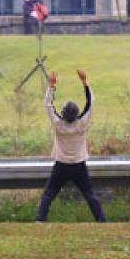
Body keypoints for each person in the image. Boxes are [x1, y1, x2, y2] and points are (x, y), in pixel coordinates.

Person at [36, 67, 106, 223]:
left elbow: (48, 106)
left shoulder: (58, 125)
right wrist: (85, 82)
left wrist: (51, 86)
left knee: (49, 194)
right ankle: (101, 220)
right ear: (76, 114)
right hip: (79, 165)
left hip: (61, 165)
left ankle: (40, 220)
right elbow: (91, 103)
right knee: (89, 194)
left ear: (63, 114)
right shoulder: (82, 123)